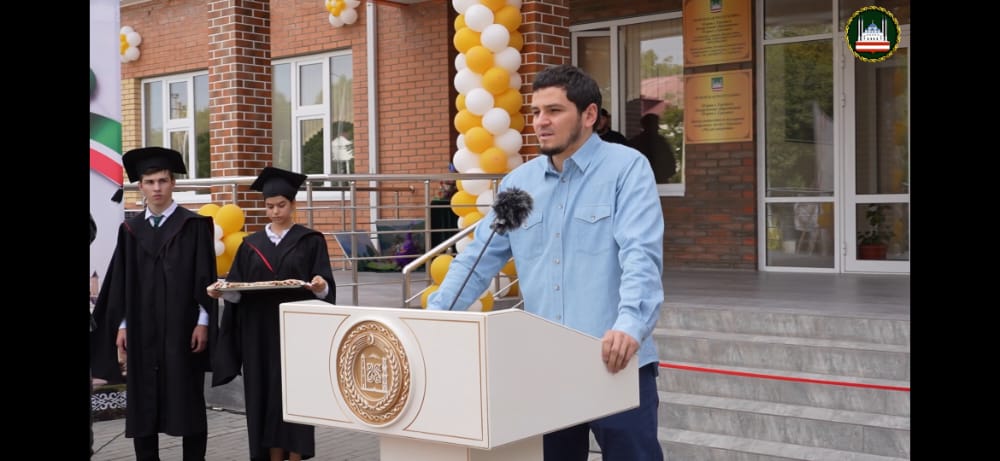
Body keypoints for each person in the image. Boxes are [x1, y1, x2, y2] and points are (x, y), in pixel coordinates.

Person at [426, 64, 665, 461]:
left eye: (554, 111)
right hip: (547, 366)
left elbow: (640, 253)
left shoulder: (627, 169)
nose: (540, 122)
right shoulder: (520, 184)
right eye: (536, 112)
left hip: (616, 358)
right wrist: (436, 317)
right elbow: (478, 259)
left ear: (589, 115)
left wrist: (630, 324)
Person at [90, 147, 219, 461]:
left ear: (173, 183)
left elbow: (205, 277)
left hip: (182, 329)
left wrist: (203, 322)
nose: (157, 188)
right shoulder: (130, 231)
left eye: (162, 180)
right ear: (141, 187)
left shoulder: (194, 226)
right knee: (143, 403)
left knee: (188, 401)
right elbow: (121, 282)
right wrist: (122, 325)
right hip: (142, 331)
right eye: (149, 182)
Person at [208, 166, 336, 461]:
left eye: (281, 205)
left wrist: (320, 286)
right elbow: (238, 290)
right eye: (269, 206)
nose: (275, 212)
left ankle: (295, 455)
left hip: (296, 333)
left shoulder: (310, 240)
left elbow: (324, 286)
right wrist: (221, 291)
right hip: (258, 334)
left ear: (293, 204)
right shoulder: (250, 245)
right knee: (263, 395)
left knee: (295, 394)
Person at [629, 113, 677, 183]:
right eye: (656, 124)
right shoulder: (661, 142)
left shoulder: (634, 142)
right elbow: (671, 165)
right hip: (655, 182)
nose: (657, 127)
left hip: (644, 182)